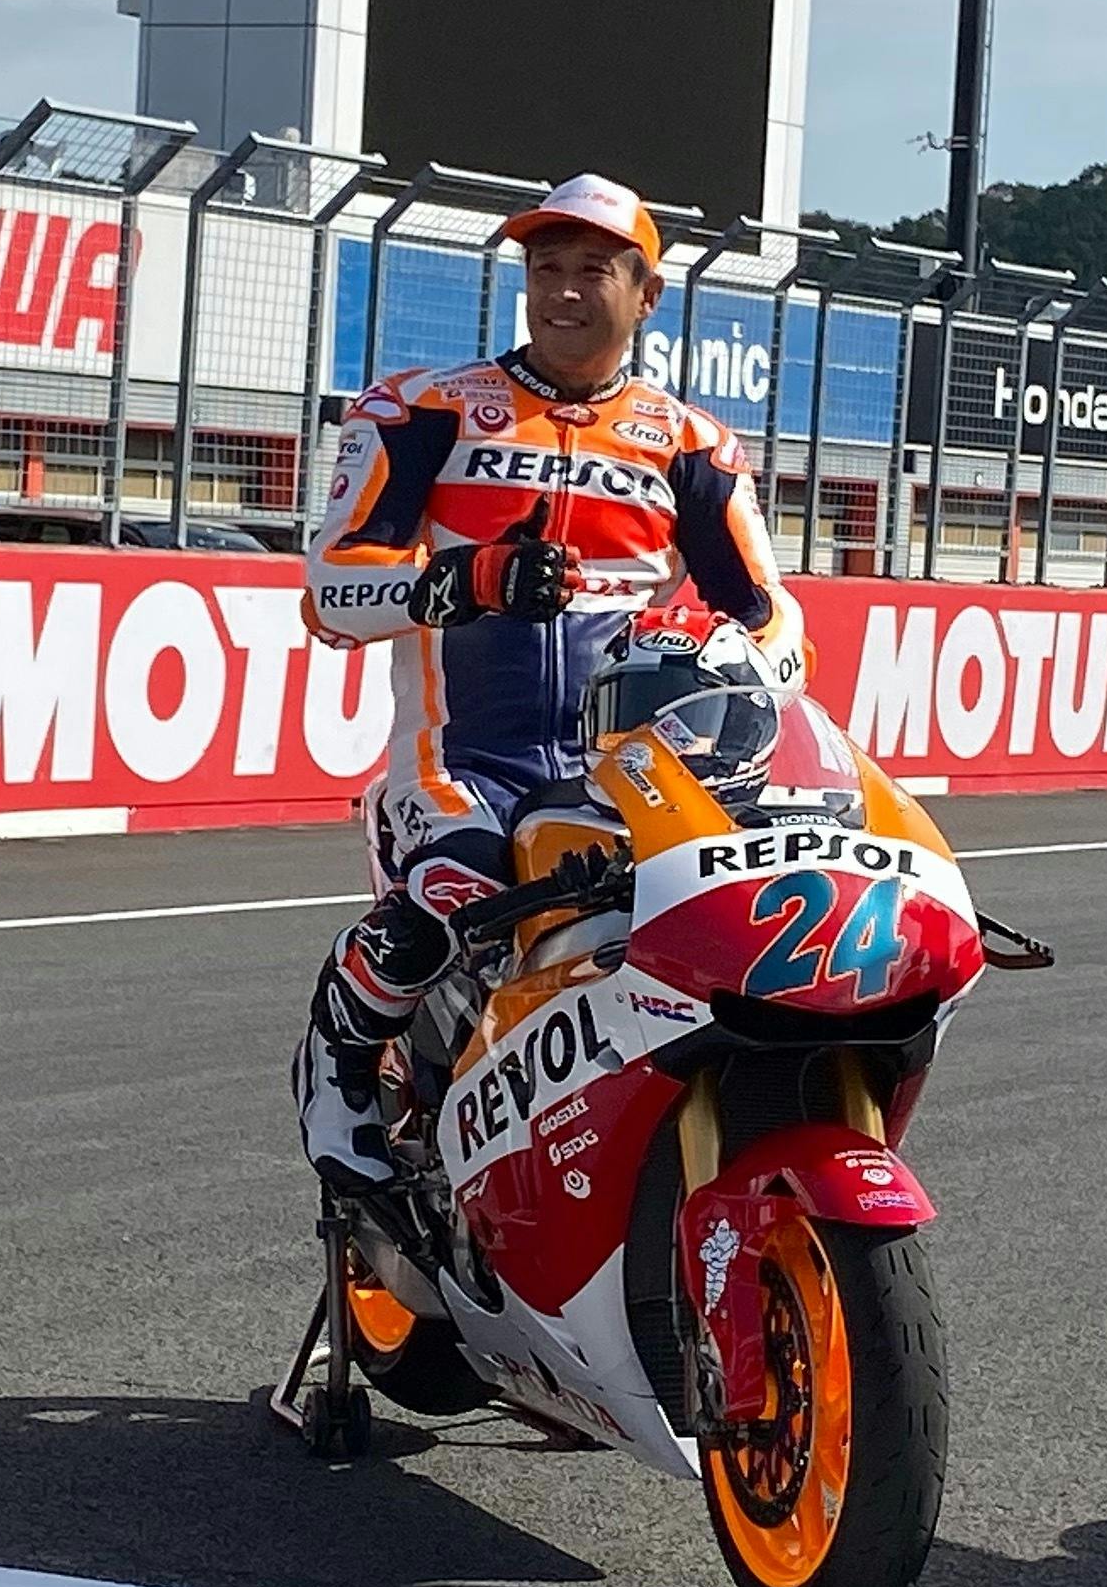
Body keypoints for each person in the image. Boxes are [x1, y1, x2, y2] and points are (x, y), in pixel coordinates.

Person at [293, 174, 803, 1191]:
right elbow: (331, 596)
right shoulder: (423, 409)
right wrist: (464, 580)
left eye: (593, 271)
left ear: (647, 295)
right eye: (546, 268)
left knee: (727, 914)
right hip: (460, 765)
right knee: (464, 885)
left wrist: (747, 663)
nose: (564, 291)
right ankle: (338, 1061)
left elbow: (774, 619)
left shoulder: (692, 445)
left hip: (629, 770)